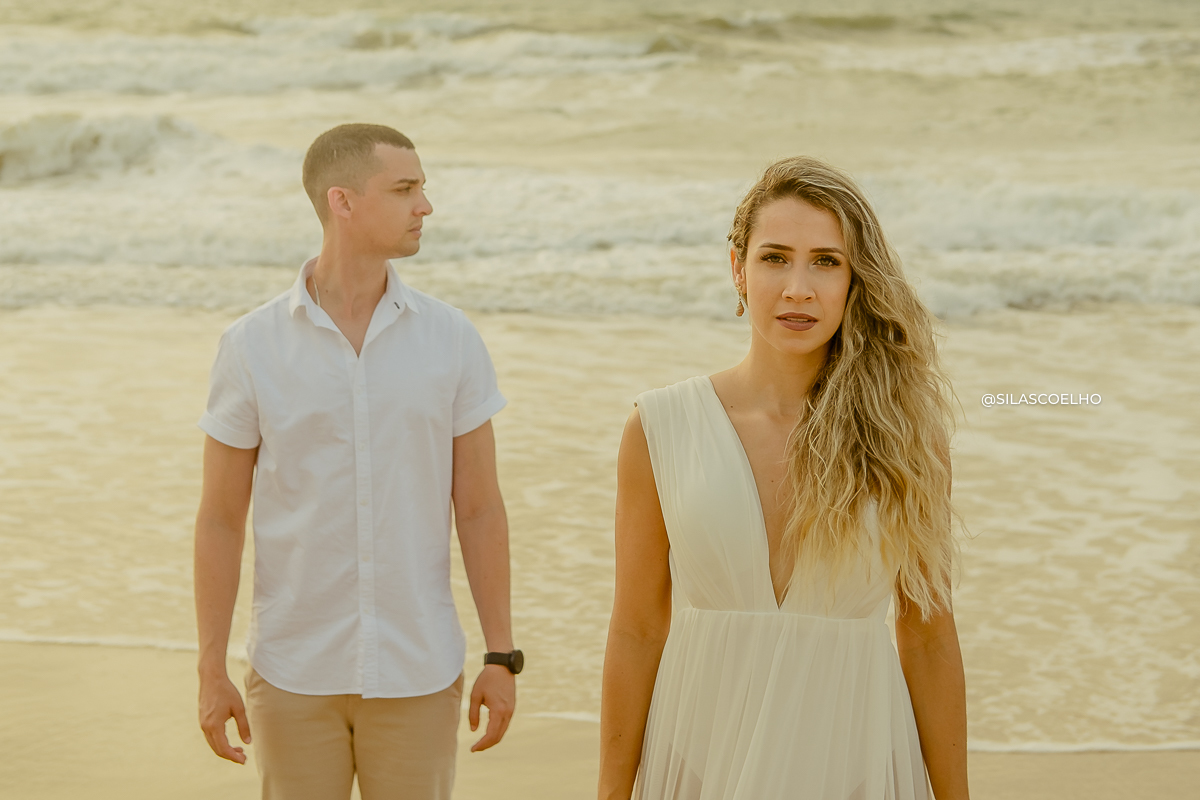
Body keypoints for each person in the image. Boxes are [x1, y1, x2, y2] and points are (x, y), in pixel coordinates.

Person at [598, 157, 969, 800]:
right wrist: (610, 794)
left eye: (826, 261)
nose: (799, 287)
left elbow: (928, 637)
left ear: (857, 280)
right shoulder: (660, 427)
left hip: (854, 764)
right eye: (775, 258)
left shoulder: (906, 441)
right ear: (738, 267)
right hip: (696, 760)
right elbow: (635, 629)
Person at [193, 123, 523, 800]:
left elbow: (481, 507)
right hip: (292, 671)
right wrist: (210, 668)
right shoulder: (250, 346)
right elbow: (220, 518)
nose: (424, 206)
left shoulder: (451, 339)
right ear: (342, 202)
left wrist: (501, 654)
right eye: (405, 189)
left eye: (422, 189)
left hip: (417, 669)